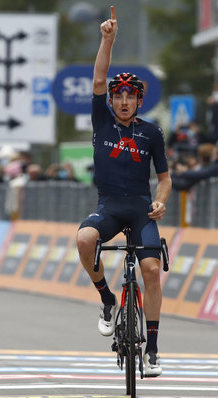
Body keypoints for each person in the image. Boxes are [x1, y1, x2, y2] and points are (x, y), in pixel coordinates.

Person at [76, 6, 172, 378]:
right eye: (119, 96)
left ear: (139, 101)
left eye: (130, 96)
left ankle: (153, 350)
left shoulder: (151, 133)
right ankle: (106, 299)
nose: (124, 101)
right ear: (112, 100)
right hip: (110, 207)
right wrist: (108, 40)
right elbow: (99, 77)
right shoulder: (102, 121)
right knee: (85, 240)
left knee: (151, 270)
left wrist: (161, 200)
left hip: (142, 210)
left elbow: (164, 177)